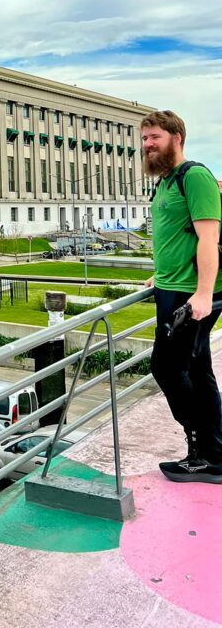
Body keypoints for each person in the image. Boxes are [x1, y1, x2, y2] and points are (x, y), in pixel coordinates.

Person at [142, 110, 222, 483]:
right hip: (170, 288)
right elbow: (175, 236)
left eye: (155, 137)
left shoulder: (196, 176)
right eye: (144, 139)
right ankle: (213, 454)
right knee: (197, 369)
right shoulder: (165, 183)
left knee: (167, 367)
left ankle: (202, 449)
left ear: (177, 137)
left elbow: (209, 238)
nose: (147, 145)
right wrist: (159, 274)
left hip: (191, 297)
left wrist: (203, 294)